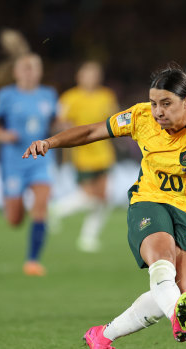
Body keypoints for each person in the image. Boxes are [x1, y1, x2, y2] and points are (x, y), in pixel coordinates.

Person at [23, 63, 186, 348]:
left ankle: (102, 336)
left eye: (166, 104)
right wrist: (49, 142)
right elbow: (91, 132)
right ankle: (176, 314)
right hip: (149, 201)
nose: (158, 111)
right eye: (154, 103)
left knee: (178, 292)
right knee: (163, 265)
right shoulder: (140, 117)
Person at [0, 53, 58, 276]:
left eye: (34, 67)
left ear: (40, 71)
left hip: (41, 160)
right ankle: (15, 207)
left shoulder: (49, 95)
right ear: (16, 72)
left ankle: (33, 261)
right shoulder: (6, 95)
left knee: (41, 205)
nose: (30, 72)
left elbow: (56, 124)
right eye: (25, 68)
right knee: (15, 219)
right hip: (14, 161)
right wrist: (4, 135)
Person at [49, 61, 118, 252]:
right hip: (83, 154)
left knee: (104, 198)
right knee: (90, 197)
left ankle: (88, 237)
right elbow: (59, 124)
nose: (91, 78)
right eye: (88, 74)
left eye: (95, 74)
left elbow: (115, 121)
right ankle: (56, 210)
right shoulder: (70, 98)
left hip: (104, 154)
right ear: (79, 77)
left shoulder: (106, 96)